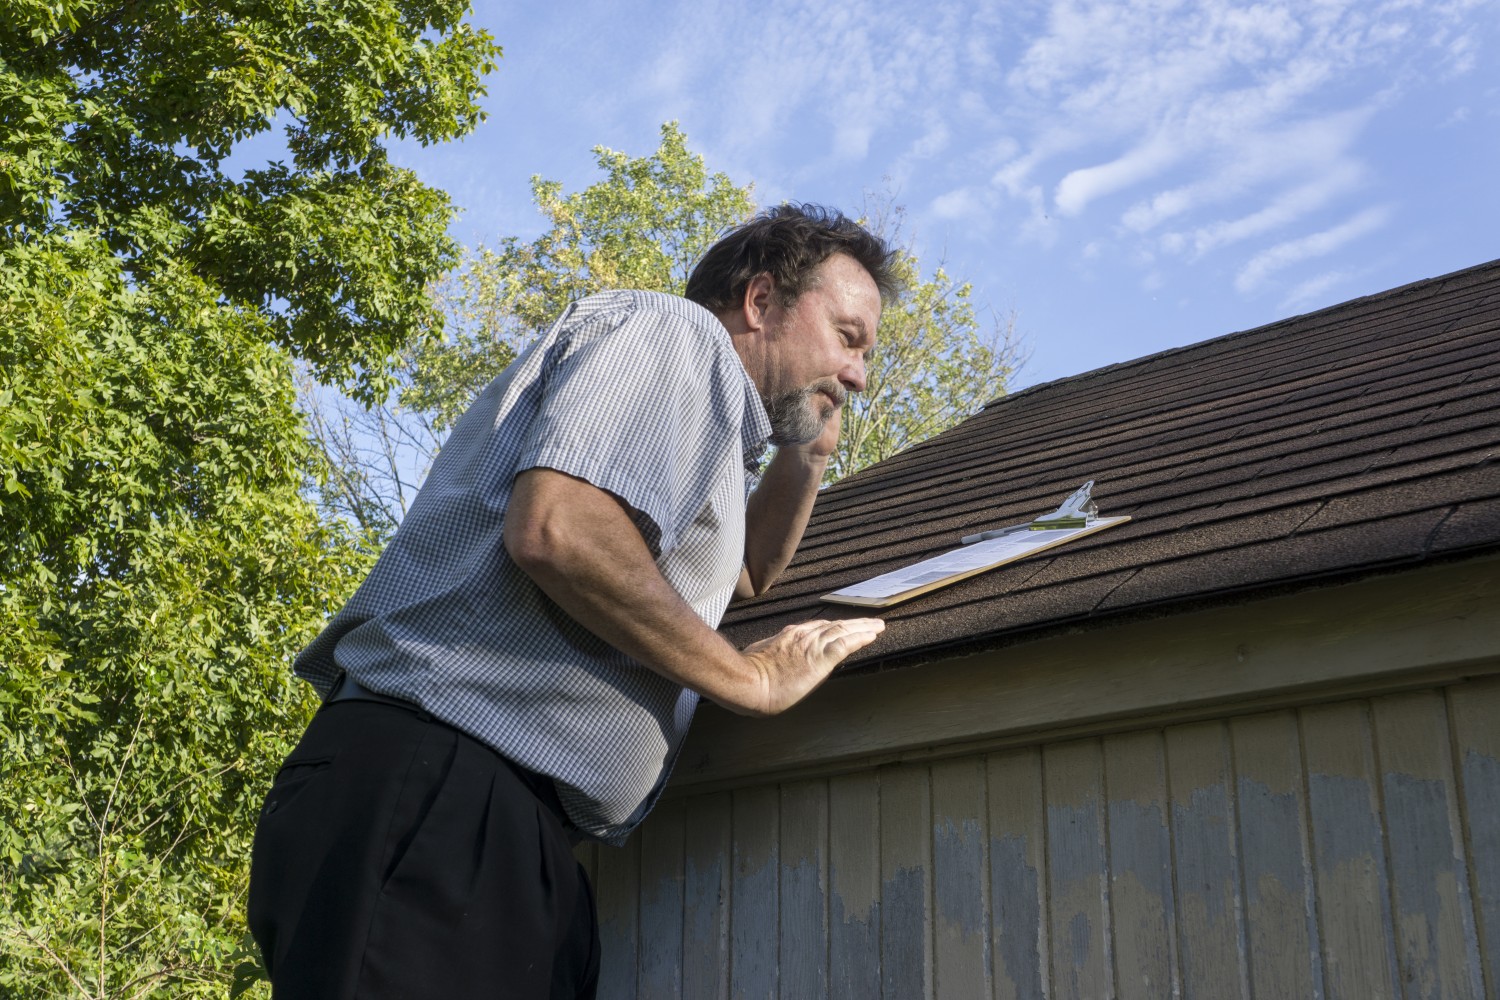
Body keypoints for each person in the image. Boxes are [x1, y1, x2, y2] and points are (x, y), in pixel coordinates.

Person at [247, 204, 898, 998]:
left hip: (506, 826)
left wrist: (809, 455)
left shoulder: (709, 431)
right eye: (848, 338)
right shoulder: (676, 336)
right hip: (442, 790)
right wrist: (748, 679)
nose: (859, 374)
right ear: (760, 301)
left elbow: (748, 573)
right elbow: (561, 530)